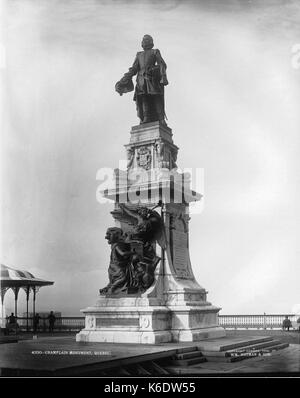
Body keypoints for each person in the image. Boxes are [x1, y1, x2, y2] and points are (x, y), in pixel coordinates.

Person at [115, 34, 168, 124]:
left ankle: (161, 118)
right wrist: (125, 78)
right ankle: (146, 117)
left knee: (156, 97)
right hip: (141, 80)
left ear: (151, 42)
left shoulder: (155, 52)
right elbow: (134, 68)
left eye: (147, 40)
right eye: (143, 40)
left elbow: (162, 64)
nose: (145, 42)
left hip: (152, 79)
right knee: (144, 98)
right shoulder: (139, 54)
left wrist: (163, 76)